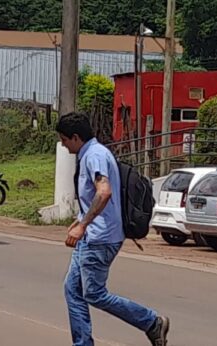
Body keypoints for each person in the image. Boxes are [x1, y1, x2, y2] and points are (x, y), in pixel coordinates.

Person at [56, 113, 169, 346]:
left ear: (76, 137)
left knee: (94, 293)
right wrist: (81, 221)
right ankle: (83, 342)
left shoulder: (94, 156)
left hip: (100, 237)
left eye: (64, 139)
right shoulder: (94, 153)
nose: (63, 145)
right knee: (73, 290)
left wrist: (84, 224)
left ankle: (151, 321)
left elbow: (104, 191)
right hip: (92, 235)